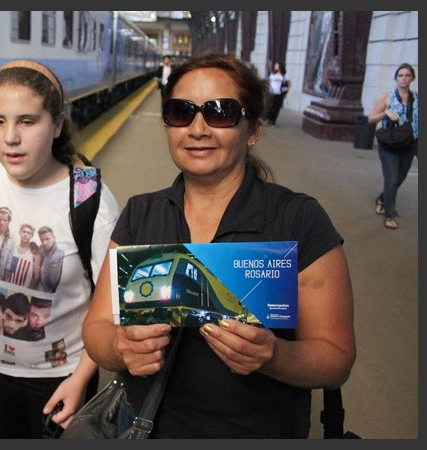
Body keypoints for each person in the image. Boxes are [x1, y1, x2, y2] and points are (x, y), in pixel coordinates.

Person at [82, 53, 356, 438]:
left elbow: (336, 358)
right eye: (181, 112)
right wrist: (120, 346)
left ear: (254, 129)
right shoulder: (140, 214)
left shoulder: (297, 219)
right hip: (145, 426)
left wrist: (275, 356)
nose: (197, 129)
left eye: (220, 113)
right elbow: (96, 329)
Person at [0, 59, 120, 438]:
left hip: (60, 377)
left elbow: (113, 304)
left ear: (57, 125)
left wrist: (82, 378)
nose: (10, 138)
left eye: (27, 121)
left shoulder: (88, 200)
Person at [368, 63, 418, 230]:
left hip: (409, 144)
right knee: (392, 178)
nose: (404, 78)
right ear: (396, 78)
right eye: (400, 75)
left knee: (400, 177)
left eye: (407, 75)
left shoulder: (417, 98)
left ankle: (382, 199)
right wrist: (385, 113)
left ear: (412, 78)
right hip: (389, 144)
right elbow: (371, 119)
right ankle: (389, 214)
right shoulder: (386, 97)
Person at [5, 223, 42, 288]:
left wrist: (28, 291)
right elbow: (7, 270)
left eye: (28, 233)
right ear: (20, 232)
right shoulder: (13, 248)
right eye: (24, 232)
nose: (25, 235)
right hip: (7, 287)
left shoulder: (35, 254)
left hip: (23, 291)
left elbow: (36, 276)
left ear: (32, 236)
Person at [37, 226, 64, 293]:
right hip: (39, 291)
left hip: (52, 293)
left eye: (47, 239)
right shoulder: (40, 250)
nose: (44, 243)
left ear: (54, 237)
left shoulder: (61, 255)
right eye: (42, 240)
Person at [266, 62, 289, 126]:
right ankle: (269, 118)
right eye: (275, 65)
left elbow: (288, 84)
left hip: (279, 94)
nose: (275, 66)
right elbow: (269, 82)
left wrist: (285, 91)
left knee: (276, 107)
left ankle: (273, 121)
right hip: (271, 92)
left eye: (277, 65)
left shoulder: (284, 75)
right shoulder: (273, 74)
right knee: (270, 106)